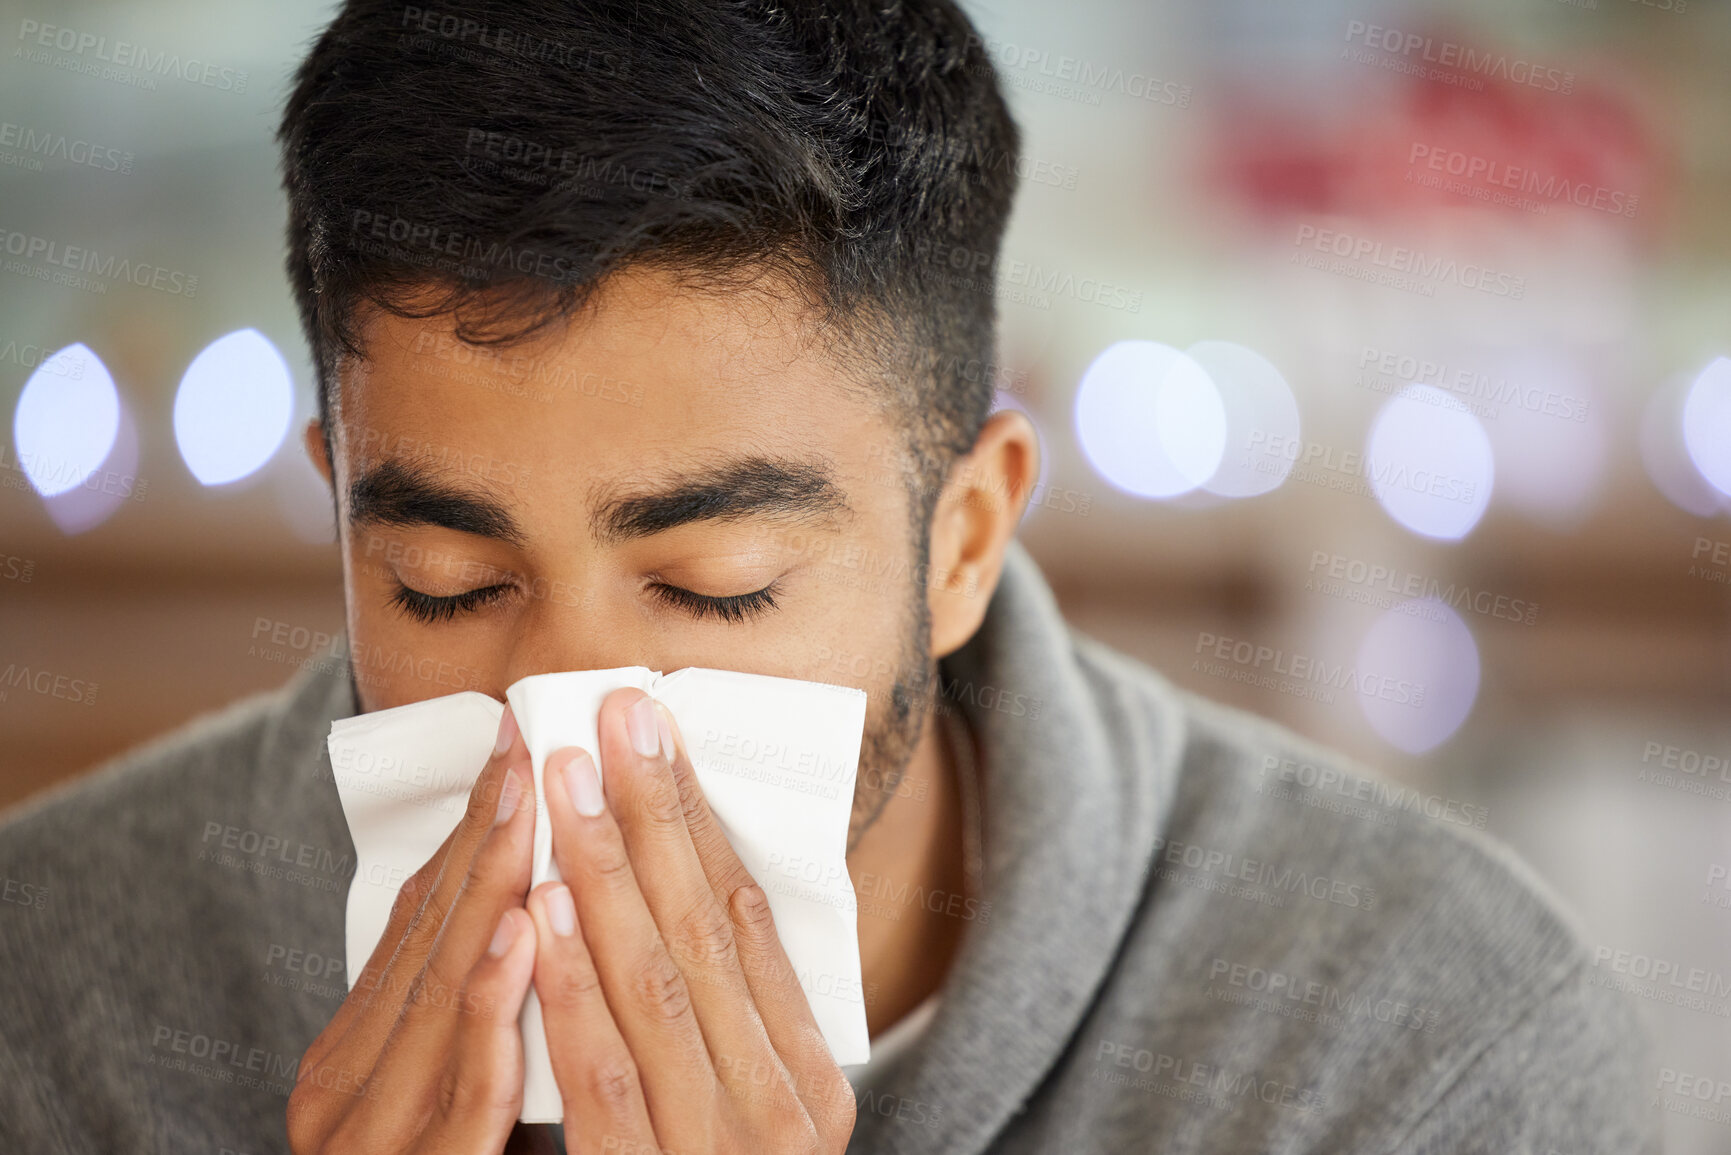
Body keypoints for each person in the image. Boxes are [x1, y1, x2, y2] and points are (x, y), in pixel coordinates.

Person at [0, 1, 1658, 1152]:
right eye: (442, 581)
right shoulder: (55, 995)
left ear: (964, 542)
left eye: (716, 586)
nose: (561, 723)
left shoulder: (1427, 1051)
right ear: (338, 512)